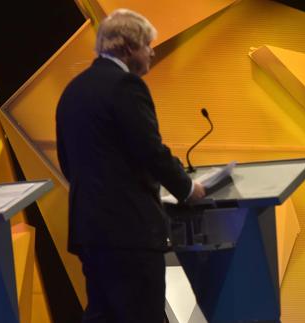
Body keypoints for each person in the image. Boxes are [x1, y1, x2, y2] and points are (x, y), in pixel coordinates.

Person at [55, 9, 205, 323]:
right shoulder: (126, 86)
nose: (152, 51)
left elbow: (68, 165)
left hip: (89, 232)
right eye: (147, 45)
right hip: (128, 233)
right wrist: (188, 188)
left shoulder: (73, 91)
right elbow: (151, 151)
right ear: (127, 48)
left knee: (102, 316)